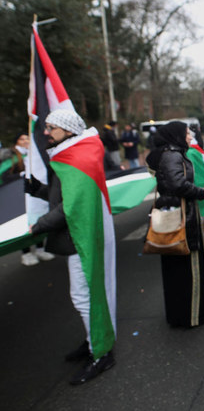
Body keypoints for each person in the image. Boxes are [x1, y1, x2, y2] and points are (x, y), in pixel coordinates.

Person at [28, 109, 117, 385]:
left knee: (84, 295)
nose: (46, 132)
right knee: (86, 293)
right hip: (79, 235)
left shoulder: (76, 157)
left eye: (51, 128)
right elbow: (62, 193)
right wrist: (37, 189)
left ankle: (100, 352)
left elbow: (71, 206)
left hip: (83, 236)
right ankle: (94, 341)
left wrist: (39, 226)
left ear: (68, 131)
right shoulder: (70, 153)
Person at [145, 121, 204, 328]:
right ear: (176, 135)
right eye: (187, 133)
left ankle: (191, 311)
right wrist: (199, 192)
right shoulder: (172, 155)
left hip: (179, 212)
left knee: (179, 266)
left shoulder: (170, 153)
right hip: (182, 216)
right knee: (188, 263)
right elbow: (177, 184)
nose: (190, 137)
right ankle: (191, 314)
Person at [7, 133, 55, 266]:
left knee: (38, 218)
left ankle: (40, 248)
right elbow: (5, 176)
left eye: (27, 138)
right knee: (24, 222)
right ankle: (26, 253)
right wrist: (20, 176)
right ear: (16, 142)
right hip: (19, 196)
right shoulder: (12, 157)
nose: (25, 141)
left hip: (34, 194)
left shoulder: (34, 156)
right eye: (21, 139)